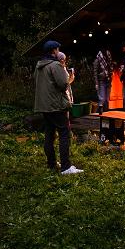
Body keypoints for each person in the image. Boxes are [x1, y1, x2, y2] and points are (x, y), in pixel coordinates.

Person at [34, 40, 83, 175]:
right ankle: (66, 167)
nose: (58, 51)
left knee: (49, 134)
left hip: (44, 106)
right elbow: (63, 84)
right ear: (54, 51)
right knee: (64, 133)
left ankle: (51, 163)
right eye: (57, 49)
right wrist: (69, 78)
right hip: (56, 105)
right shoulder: (55, 65)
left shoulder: (39, 66)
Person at [93, 48, 113, 114]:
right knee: (102, 98)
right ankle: (99, 113)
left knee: (107, 99)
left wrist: (111, 76)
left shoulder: (108, 57)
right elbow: (95, 72)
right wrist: (96, 83)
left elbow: (110, 67)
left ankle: (106, 113)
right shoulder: (98, 59)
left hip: (108, 80)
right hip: (101, 80)